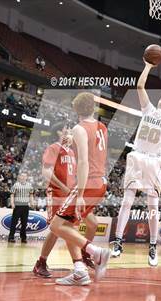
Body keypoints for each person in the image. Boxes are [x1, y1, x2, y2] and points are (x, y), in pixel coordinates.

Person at [111, 56, 161, 267]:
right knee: (127, 201)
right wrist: (148, 67)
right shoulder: (148, 110)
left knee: (152, 205)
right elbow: (140, 85)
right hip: (137, 155)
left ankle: (152, 245)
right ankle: (118, 242)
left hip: (154, 161)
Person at [49, 92, 111, 285]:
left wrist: (81, 193)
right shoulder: (102, 127)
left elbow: (84, 161)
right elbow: (93, 152)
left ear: (76, 109)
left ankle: (95, 252)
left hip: (89, 182)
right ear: (93, 108)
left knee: (56, 225)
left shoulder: (79, 128)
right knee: (68, 226)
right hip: (101, 181)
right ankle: (79, 271)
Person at [33, 121, 98, 278]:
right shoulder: (54, 148)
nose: (70, 131)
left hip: (71, 194)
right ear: (59, 133)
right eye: (67, 129)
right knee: (58, 229)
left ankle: (84, 253)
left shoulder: (72, 152)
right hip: (57, 193)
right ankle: (41, 263)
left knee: (93, 223)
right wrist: (63, 187)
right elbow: (46, 172)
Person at [8, 172, 34, 243]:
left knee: (24, 223)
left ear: (26, 177)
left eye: (24, 176)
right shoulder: (16, 185)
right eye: (22, 176)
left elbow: (31, 195)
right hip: (17, 206)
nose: (23, 177)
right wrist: (12, 203)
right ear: (20, 177)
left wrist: (32, 202)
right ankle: (11, 237)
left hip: (25, 206)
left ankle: (23, 238)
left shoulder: (29, 185)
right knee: (14, 222)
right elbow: (12, 195)